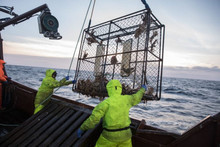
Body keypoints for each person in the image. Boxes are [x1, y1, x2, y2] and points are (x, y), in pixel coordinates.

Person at [77, 79, 147, 147]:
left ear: (108, 89)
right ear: (120, 88)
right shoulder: (127, 99)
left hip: (109, 136)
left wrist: (83, 128)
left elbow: (94, 119)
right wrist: (142, 89)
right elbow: (137, 97)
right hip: (126, 135)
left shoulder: (105, 103)